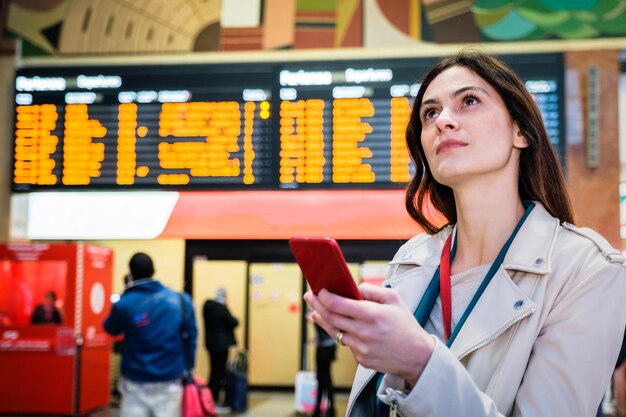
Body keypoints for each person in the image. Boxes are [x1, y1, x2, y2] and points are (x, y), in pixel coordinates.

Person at [304, 50, 626, 417]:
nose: (444, 121)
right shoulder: (411, 259)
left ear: (521, 131)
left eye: (469, 101)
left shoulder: (589, 270)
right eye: (430, 113)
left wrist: (419, 363)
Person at [103, 252, 197, 417]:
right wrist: (188, 369)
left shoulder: (124, 303)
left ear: (131, 273)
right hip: (170, 379)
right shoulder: (181, 300)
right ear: (154, 270)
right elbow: (191, 338)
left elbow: (110, 328)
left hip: (134, 381)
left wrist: (124, 295)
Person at [203, 287, 239, 413]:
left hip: (211, 345)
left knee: (213, 372)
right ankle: (216, 401)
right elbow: (234, 322)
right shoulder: (222, 308)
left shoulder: (207, 308)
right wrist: (233, 316)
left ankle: (209, 400)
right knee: (219, 373)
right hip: (222, 346)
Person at [313, 322, 336, 417]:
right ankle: (323, 409)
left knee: (325, 379)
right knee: (323, 378)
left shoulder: (323, 310)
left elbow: (324, 328)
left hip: (325, 347)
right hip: (326, 346)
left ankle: (328, 409)